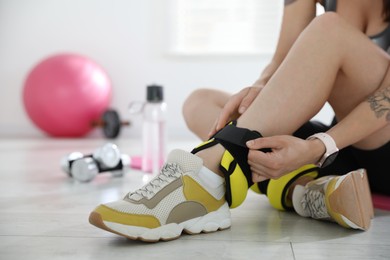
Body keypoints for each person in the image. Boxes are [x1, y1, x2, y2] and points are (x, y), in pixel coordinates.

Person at [89, 0, 390, 242]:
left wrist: (318, 146)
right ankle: (304, 191)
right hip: (341, 151)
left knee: (329, 28)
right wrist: (258, 90)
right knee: (202, 101)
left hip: (377, 149)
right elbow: (282, 59)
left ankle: (207, 176)